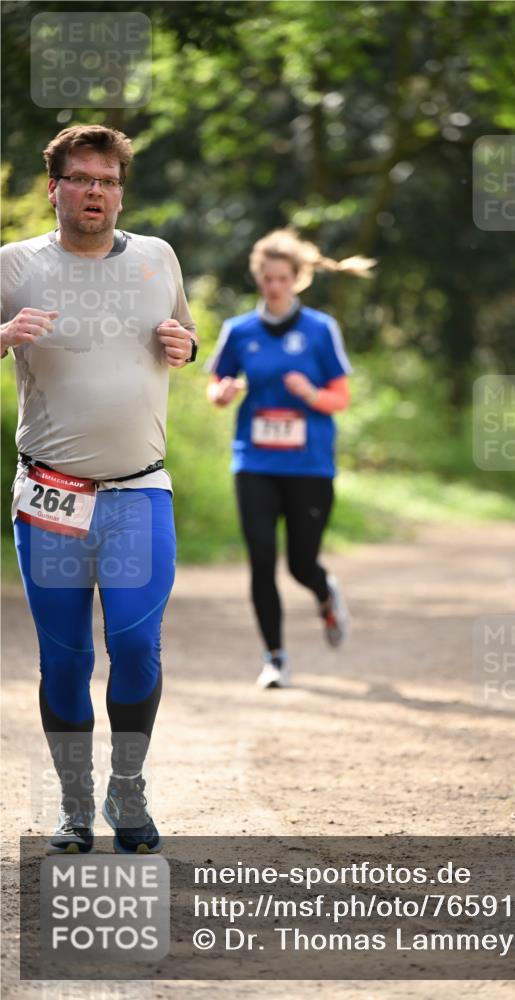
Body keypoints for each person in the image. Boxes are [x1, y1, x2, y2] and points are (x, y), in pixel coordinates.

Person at [0, 125, 198, 854]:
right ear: (54, 189)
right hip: (49, 497)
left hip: (139, 492)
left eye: (108, 181)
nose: (95, 192)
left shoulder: (155, 258)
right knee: (65, 660)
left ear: (121, 191)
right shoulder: (14, 264)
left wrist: (188, 344)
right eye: (81, 179)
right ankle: (76, 803)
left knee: (137, 647)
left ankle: (129, 788)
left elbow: (183, 331)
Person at [206, 228, 374, 688]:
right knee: (261, 558)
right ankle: (274, 658)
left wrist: (312, 394)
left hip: (309, 464)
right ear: (258, 278)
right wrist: (222, 393)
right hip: (255, 462)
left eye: (281, 278)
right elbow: (217, 385)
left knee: (301, 563)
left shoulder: (320, 330)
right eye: (266, 278)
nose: (273, 286)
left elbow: (341, 397)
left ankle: (324, 592)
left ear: (297, 279)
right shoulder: (238, 331)